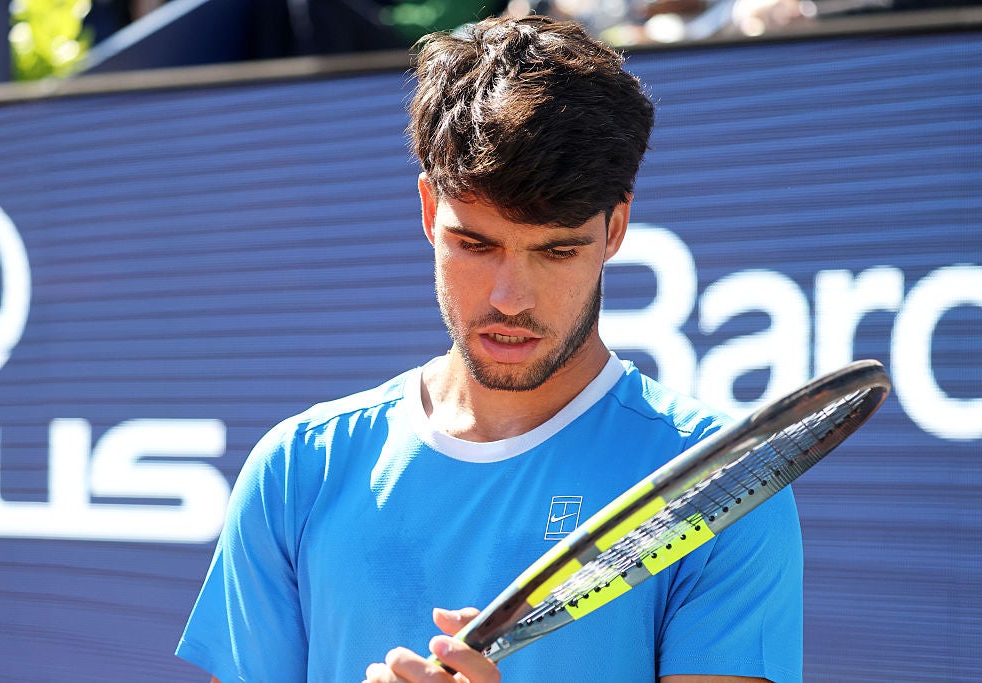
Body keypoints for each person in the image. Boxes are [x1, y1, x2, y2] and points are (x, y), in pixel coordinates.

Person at [175, 15, 803, 683]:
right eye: (476, 244)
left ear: (615, 226)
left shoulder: (720, 485)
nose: (510, 297)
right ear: (427, 211)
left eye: (556, 250)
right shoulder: (296, 468)